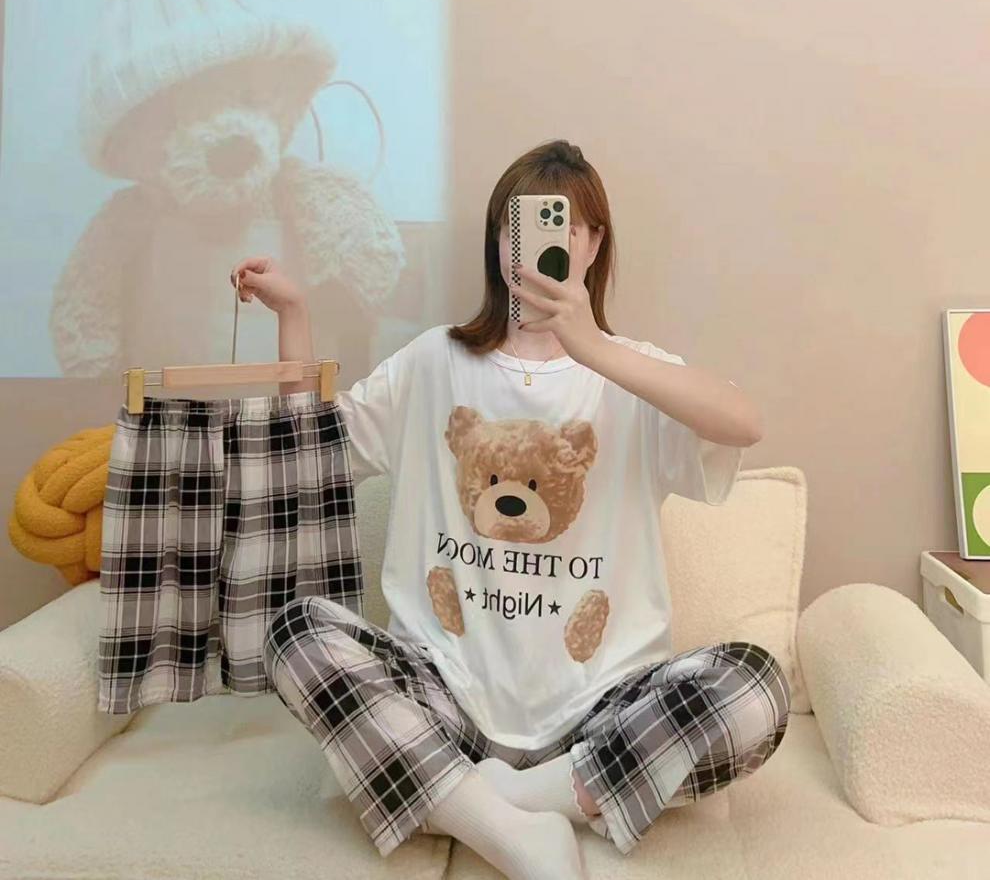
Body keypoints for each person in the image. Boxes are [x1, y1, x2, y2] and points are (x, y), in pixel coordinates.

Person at [231, 139, 790, 880]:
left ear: (593, 244)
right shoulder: (435, 360)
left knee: (756, 685)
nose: (537, 245)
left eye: (567, 226)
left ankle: (503, 800)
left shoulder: (635, 373)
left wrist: (592, 348)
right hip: (446, 698)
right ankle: (513, 834)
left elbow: (744, 423)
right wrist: (295, 314)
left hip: (599, 712)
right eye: (515, 227)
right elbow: (309, 452)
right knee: (295, 632)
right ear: (498, 245)